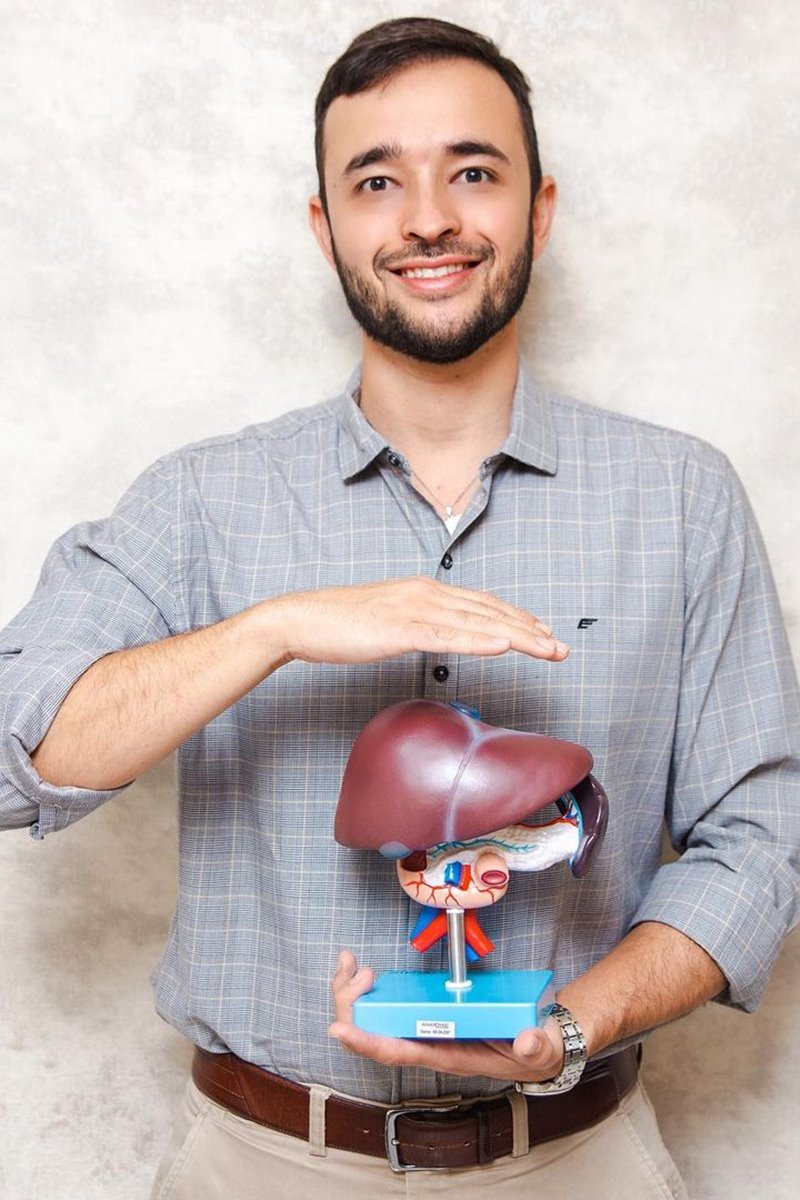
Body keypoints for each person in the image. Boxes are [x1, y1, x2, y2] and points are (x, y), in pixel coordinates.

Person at [1, 15, 798, 1198]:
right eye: (377, 180)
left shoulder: (679, 498)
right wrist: (275, 630)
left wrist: (563, 1031)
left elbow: (759, 838)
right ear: (325, 227)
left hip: (574, 1158)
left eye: (471, 171)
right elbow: (16, 748)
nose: (427, 216)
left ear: (539, 210)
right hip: (259, 1162)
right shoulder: (199, 501)